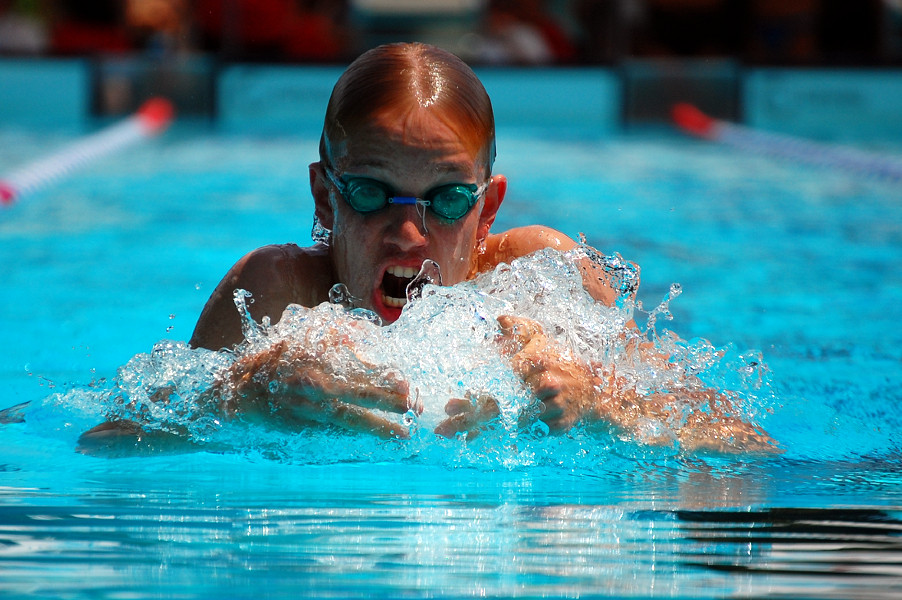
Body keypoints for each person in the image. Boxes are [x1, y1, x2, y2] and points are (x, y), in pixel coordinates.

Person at [80, 42, 776, 454]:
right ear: (326, 199)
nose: (409, 235)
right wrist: (243, 394)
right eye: (371, 193)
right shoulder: (276, 289)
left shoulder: (543, 273)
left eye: (446, 200)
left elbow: (743, 446)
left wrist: (604, 404)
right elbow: (107, 444)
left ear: (486, 211)